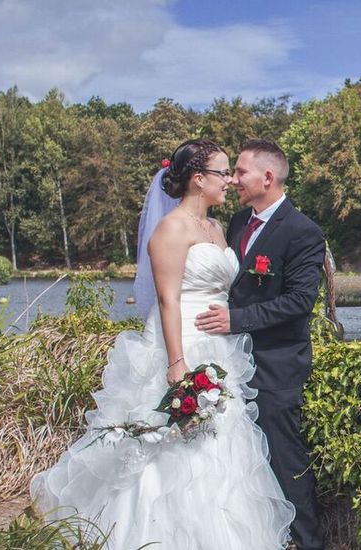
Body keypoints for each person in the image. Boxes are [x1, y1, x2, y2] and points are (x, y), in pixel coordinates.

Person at [30, 139, 295, 549]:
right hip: (183, 341)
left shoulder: (218, 228)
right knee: (174, 446)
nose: (229, 181)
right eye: (223, 173)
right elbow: (169, 299)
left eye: (231, 173)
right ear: (198, 179)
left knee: (223, 445)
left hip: (220, 345)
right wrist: (177, 361)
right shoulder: (170, 229)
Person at [195, 139, 326, 550]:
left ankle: (308, 543)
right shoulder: (236, 223)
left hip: (276, 364)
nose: (233, 179)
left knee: (285, 457)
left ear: (267, 177)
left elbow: (300, 301)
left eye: (240, 172)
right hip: (229, 360)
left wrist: (238, 320)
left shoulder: (303, 231)